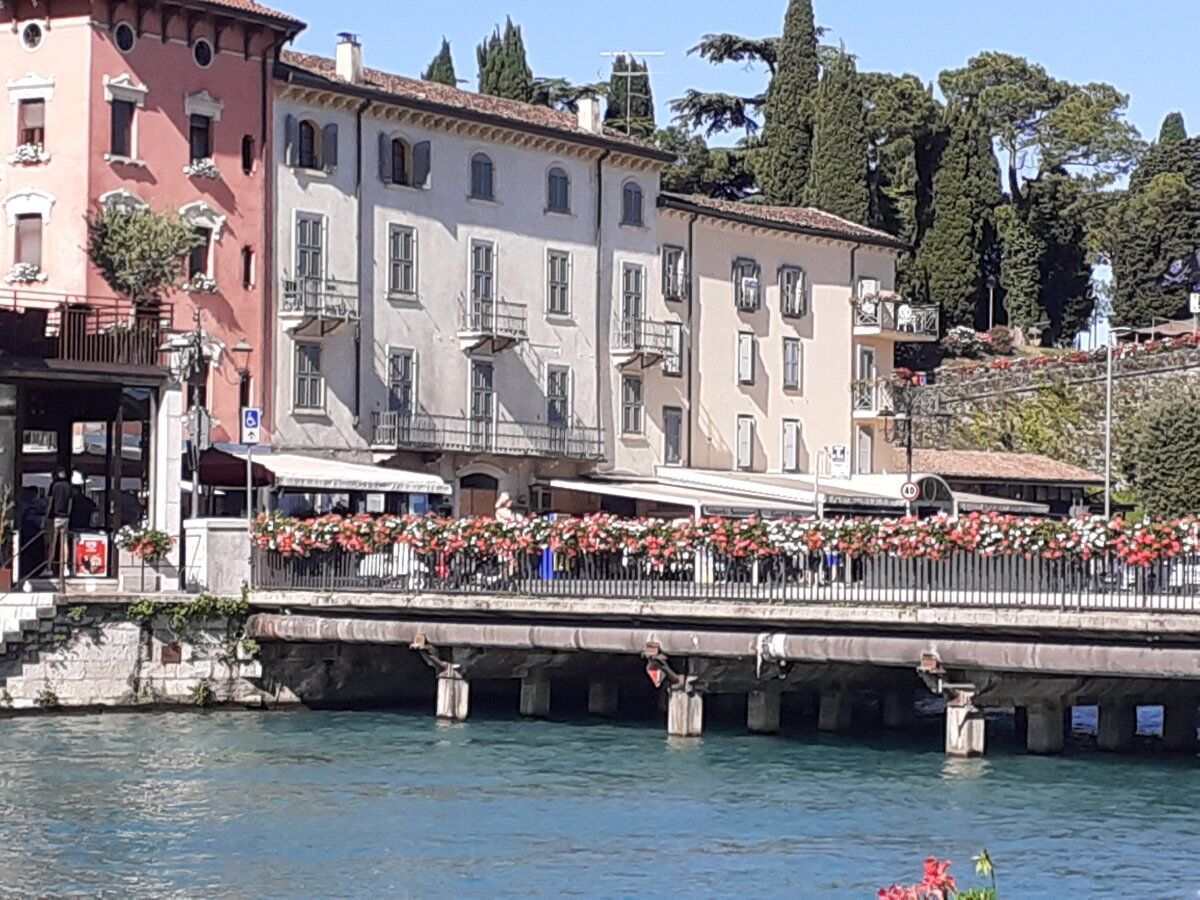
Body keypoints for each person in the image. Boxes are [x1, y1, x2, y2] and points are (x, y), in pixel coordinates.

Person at [45, 467, 74, 577]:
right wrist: (68, 514)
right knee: (65, 542)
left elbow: (50, 502)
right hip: (65, 517)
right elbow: (70, 503)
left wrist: (47, 515)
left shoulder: (54, 486)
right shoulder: (69, 486)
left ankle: (48, 567)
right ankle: (65, 567)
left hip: (55, 517)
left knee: (52, 542)